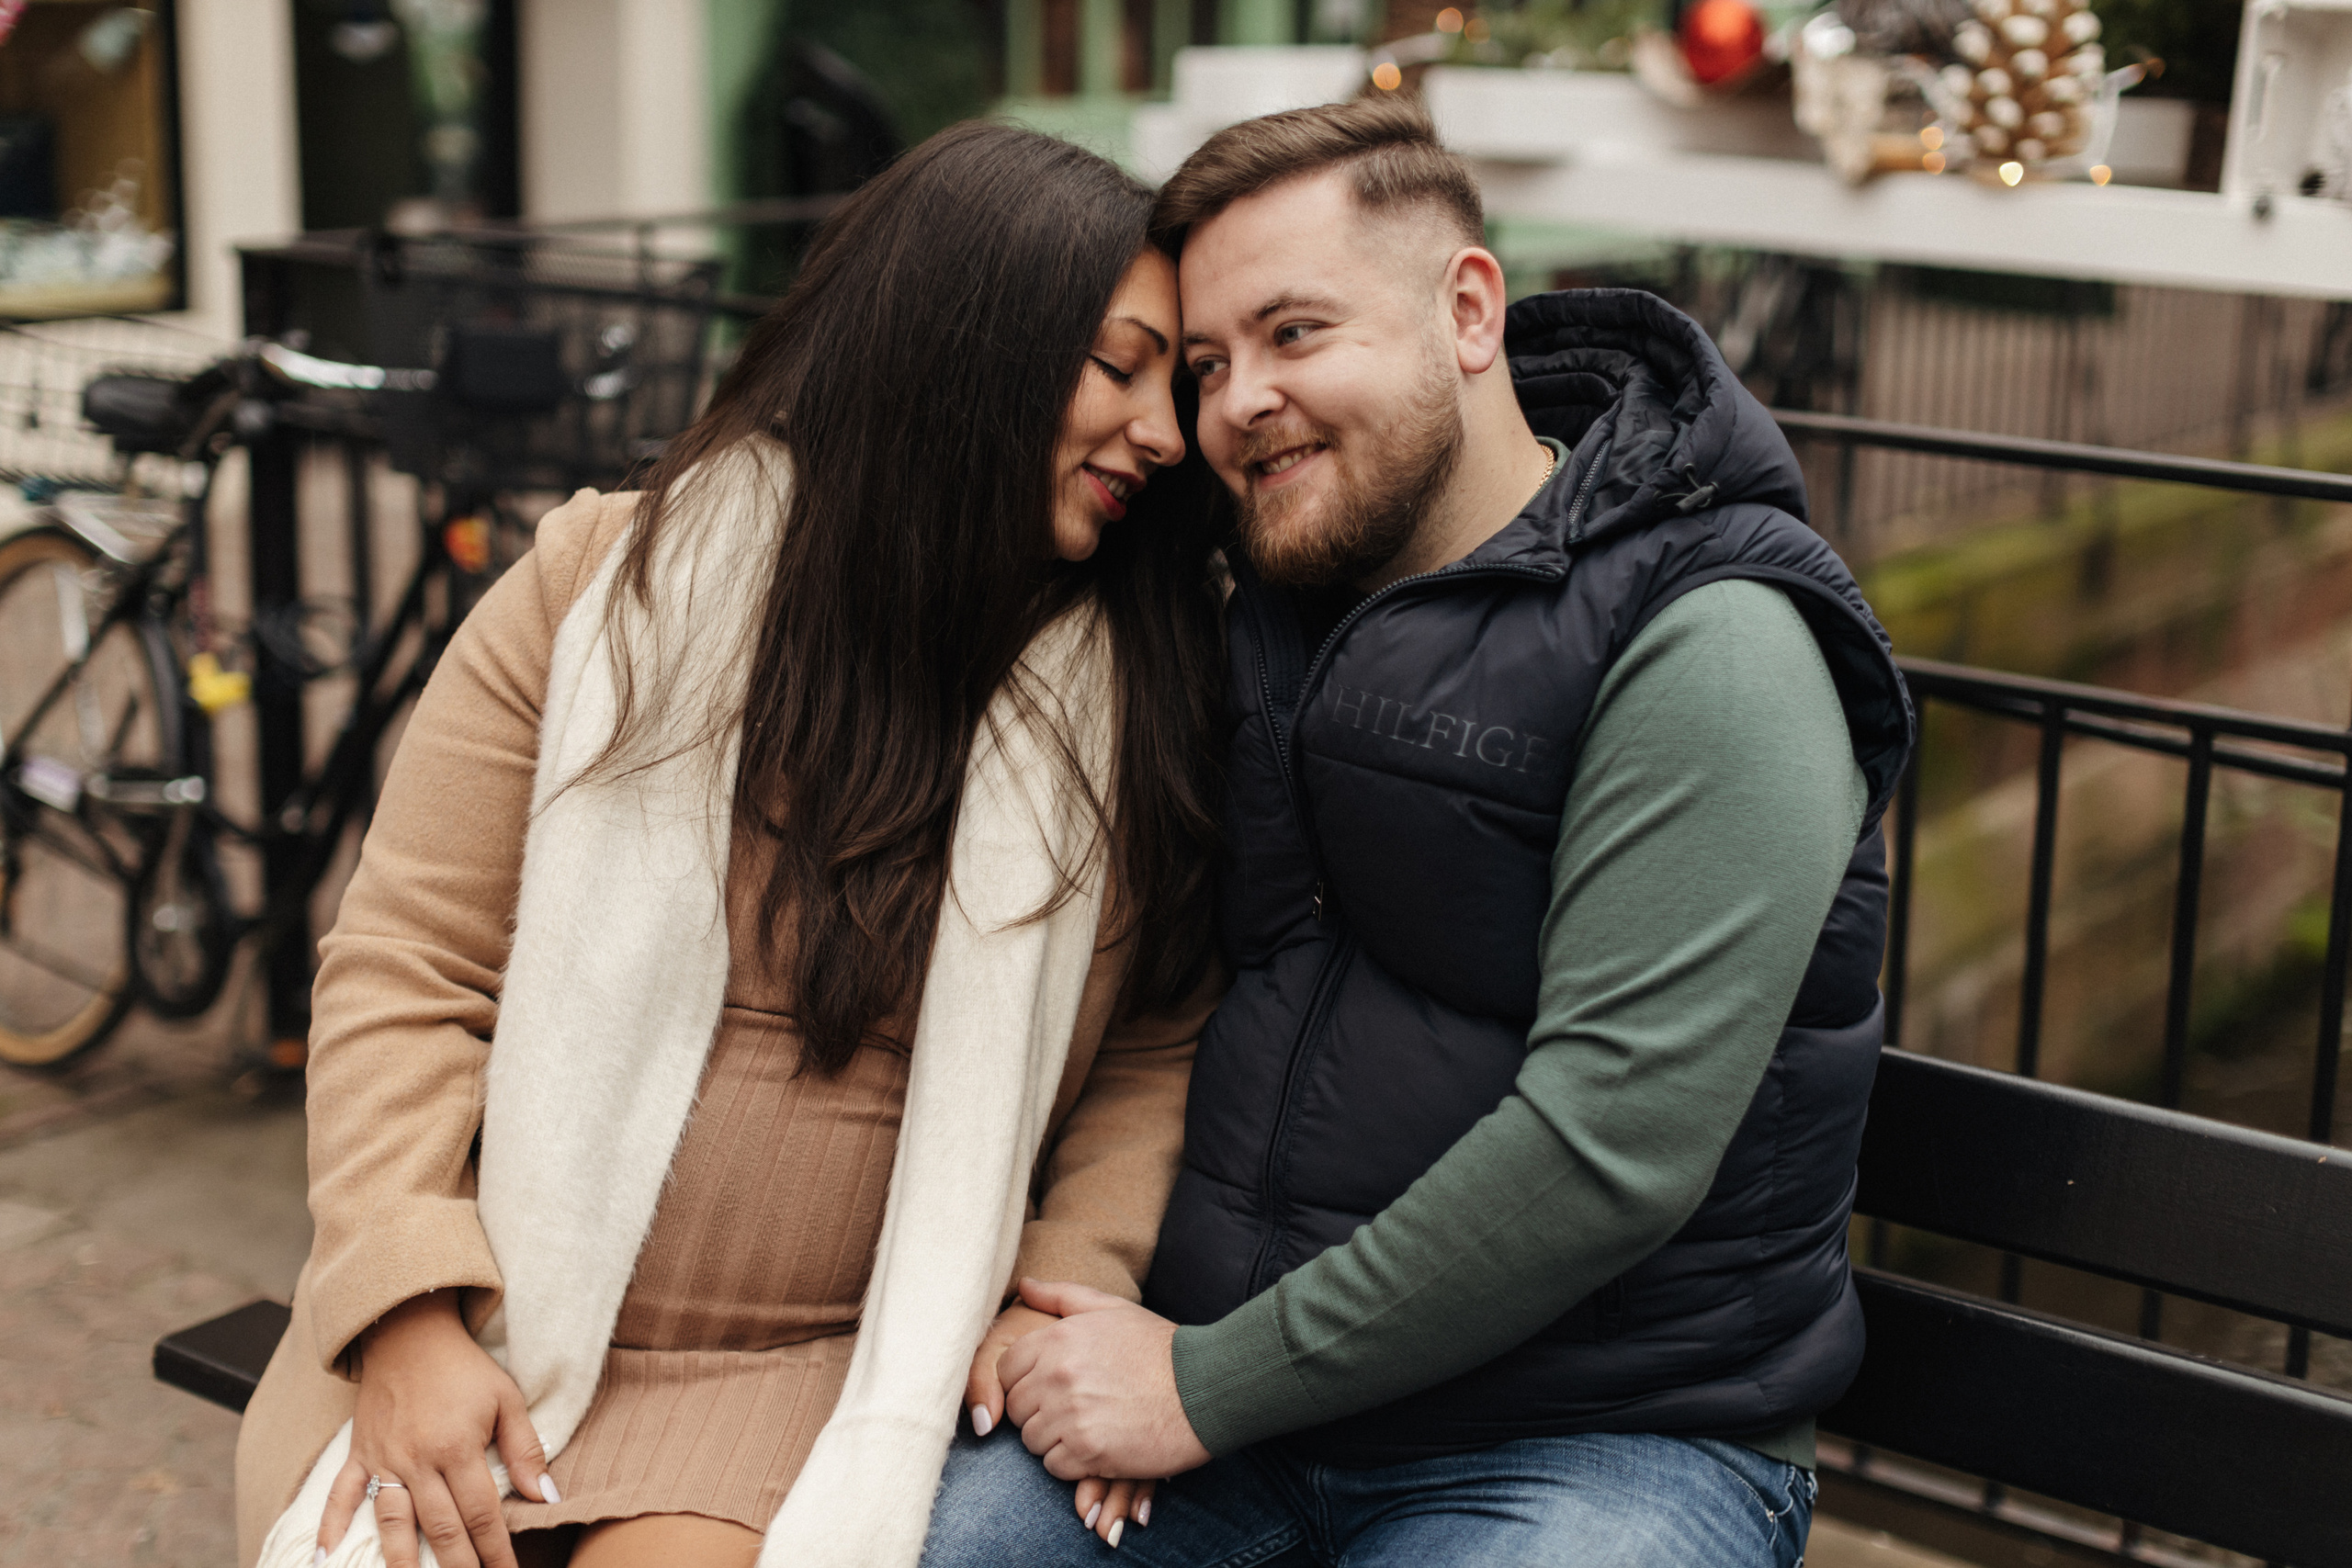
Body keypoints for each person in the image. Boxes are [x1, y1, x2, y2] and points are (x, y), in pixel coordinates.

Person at [922, 97, 1912, 1566]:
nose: (1237, 401)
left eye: (1296, 333)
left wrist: (1201, 1384)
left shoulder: (1715, 644)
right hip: (1232, 1398)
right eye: (1208, 364)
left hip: (1605, 1439)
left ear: (1466, 312)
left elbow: (1608, 1149)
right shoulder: (1268, 592)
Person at [233, 122, 1228, 1568]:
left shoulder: (1133, 698)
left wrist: (1065, 1281)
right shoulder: (599, 586)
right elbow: (406, 964)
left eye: (1172, 385)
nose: (1163, 431)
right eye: (1116, 366)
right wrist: (402, 1314)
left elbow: (1156, 1041)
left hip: (812, 1379)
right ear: (966, 345)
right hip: (487, 1314)